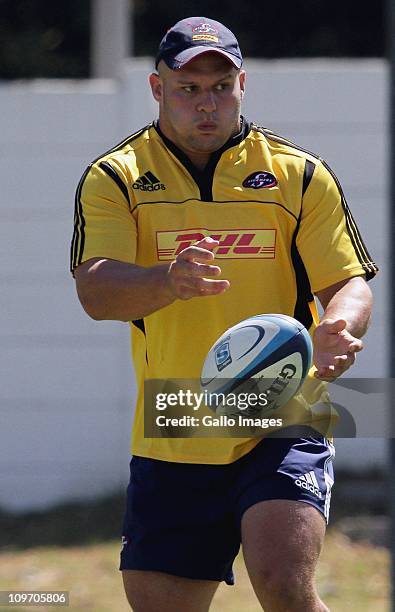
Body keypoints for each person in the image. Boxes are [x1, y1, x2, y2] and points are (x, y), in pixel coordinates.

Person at [70, 16, 377, 612]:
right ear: (157, 89)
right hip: (178, 415)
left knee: (284, 584)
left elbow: (349, 282)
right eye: (188, 89)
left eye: (221, 86)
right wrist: (169, 279)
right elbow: (96, 293)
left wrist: (339, 326)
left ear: (243, 85)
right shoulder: (117, 178)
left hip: (285, 405)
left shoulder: (299, 174)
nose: (206, 103)